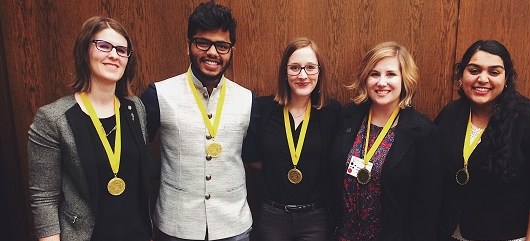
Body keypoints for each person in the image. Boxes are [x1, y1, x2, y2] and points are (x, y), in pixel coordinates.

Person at [140, 2, 257, 241]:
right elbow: (135, 153)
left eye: (222, 45)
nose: (213, 52)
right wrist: (164, 172)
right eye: (203, 42)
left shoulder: (248, 99)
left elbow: (254, 158)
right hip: (175, 226)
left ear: (231, 50)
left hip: (233, 226)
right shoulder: (158, 94)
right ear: (188, 46)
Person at [28, 16, 152, 241]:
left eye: (122, 50)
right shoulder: (53, 119)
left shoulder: (136, 108)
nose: (114, 55)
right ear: (85, 51)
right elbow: (44, 198)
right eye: (104, 46)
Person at [435, 40, 530, 241]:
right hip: (449, 234)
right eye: (474, 70)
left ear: (507, 79)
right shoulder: (450, 114)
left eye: (494, 72)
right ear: (461, 76)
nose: (482, 79)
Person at [327, 42, 441, 241]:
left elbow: (425, 204)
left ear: (405, 79)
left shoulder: (423, 132)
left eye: (391, 74)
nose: (381, 82)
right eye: (374, 74)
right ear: (365, 79)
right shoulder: (347, 116)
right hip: (343, 235)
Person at [248, 37, 340, 240]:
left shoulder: (332, 113)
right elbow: (252, 156)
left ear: (319, 71)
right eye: (295, 68)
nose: (302, 75)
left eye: (310, 67)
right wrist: (277, 167)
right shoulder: (263, 109)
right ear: (285, 72)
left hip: (316, 218)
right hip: (273, 216)